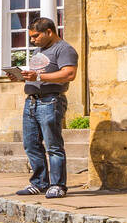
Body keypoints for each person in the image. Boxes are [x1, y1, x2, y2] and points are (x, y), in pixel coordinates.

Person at [6, 17, 79, 199]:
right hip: (31, 102)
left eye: (36, 36)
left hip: (50, 101)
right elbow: (39, 74)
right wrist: (22, 77)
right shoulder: (39, 50)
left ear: (49, 32)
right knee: (31, 145)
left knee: (53, 146)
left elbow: (69, 74)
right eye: (31, 37)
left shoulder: (64, 49)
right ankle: (39, 183)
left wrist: (37, 77)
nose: (32, 40)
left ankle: (58, 185)